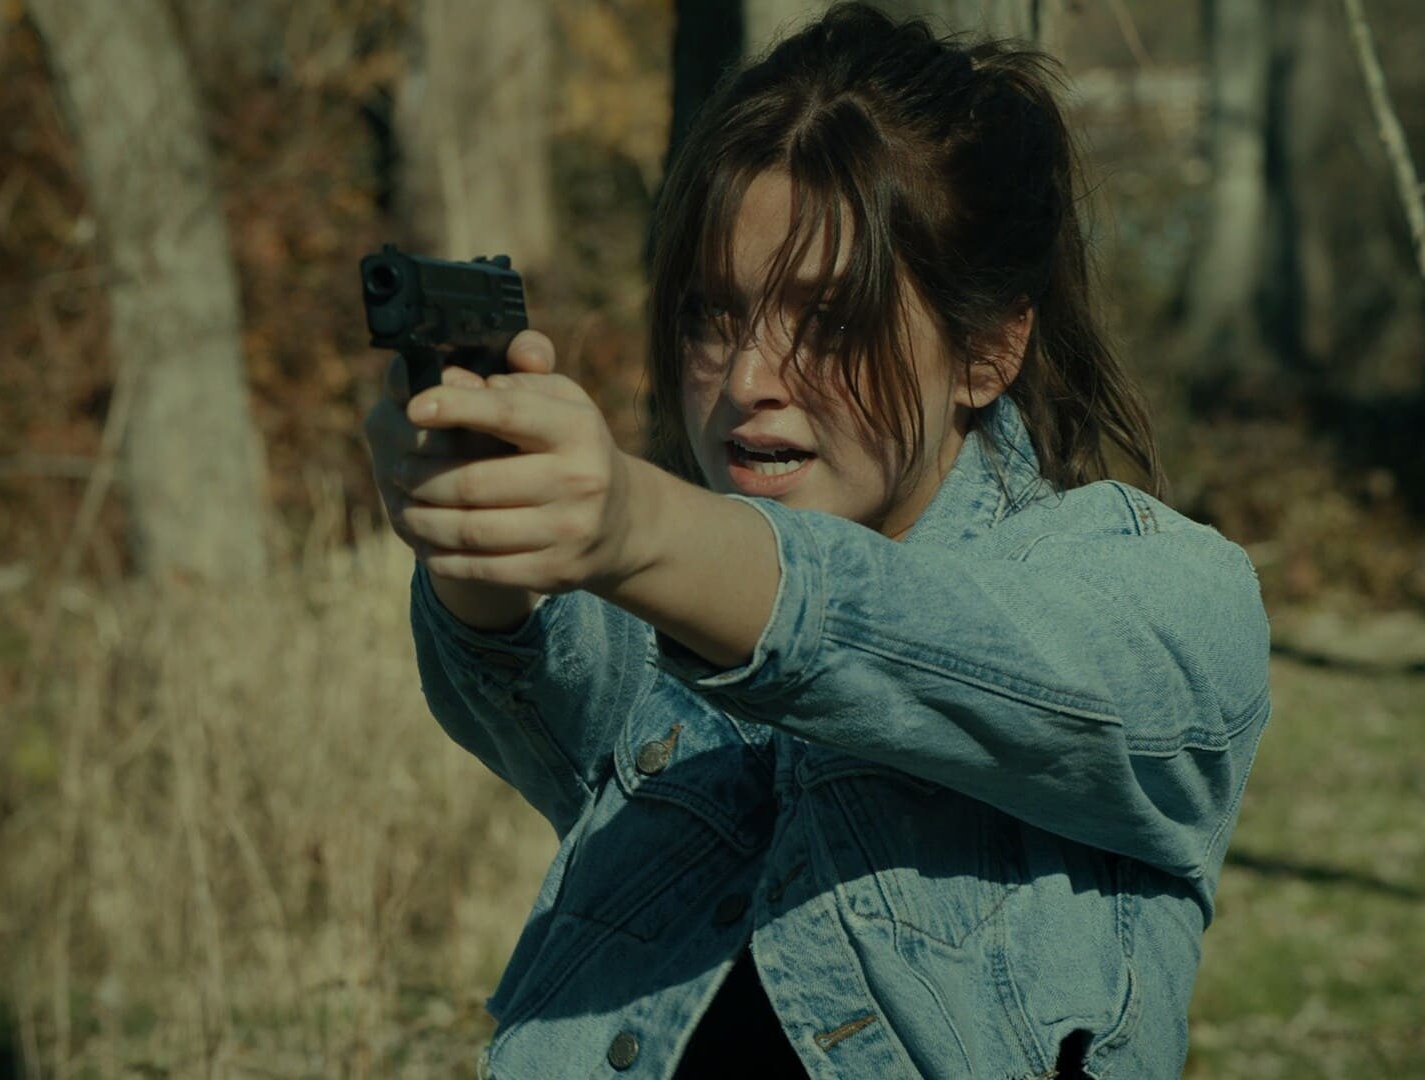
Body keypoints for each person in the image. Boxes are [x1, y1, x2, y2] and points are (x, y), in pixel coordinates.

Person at [361, 4, 1271, 1077]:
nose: (748, 378)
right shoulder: (659, 622)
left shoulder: (1167, 594)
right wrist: (476, 519)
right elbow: (527, 669)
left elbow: (940, 643)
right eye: (712, 314)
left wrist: (633, 525)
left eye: (831, 321)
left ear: (988, 349)